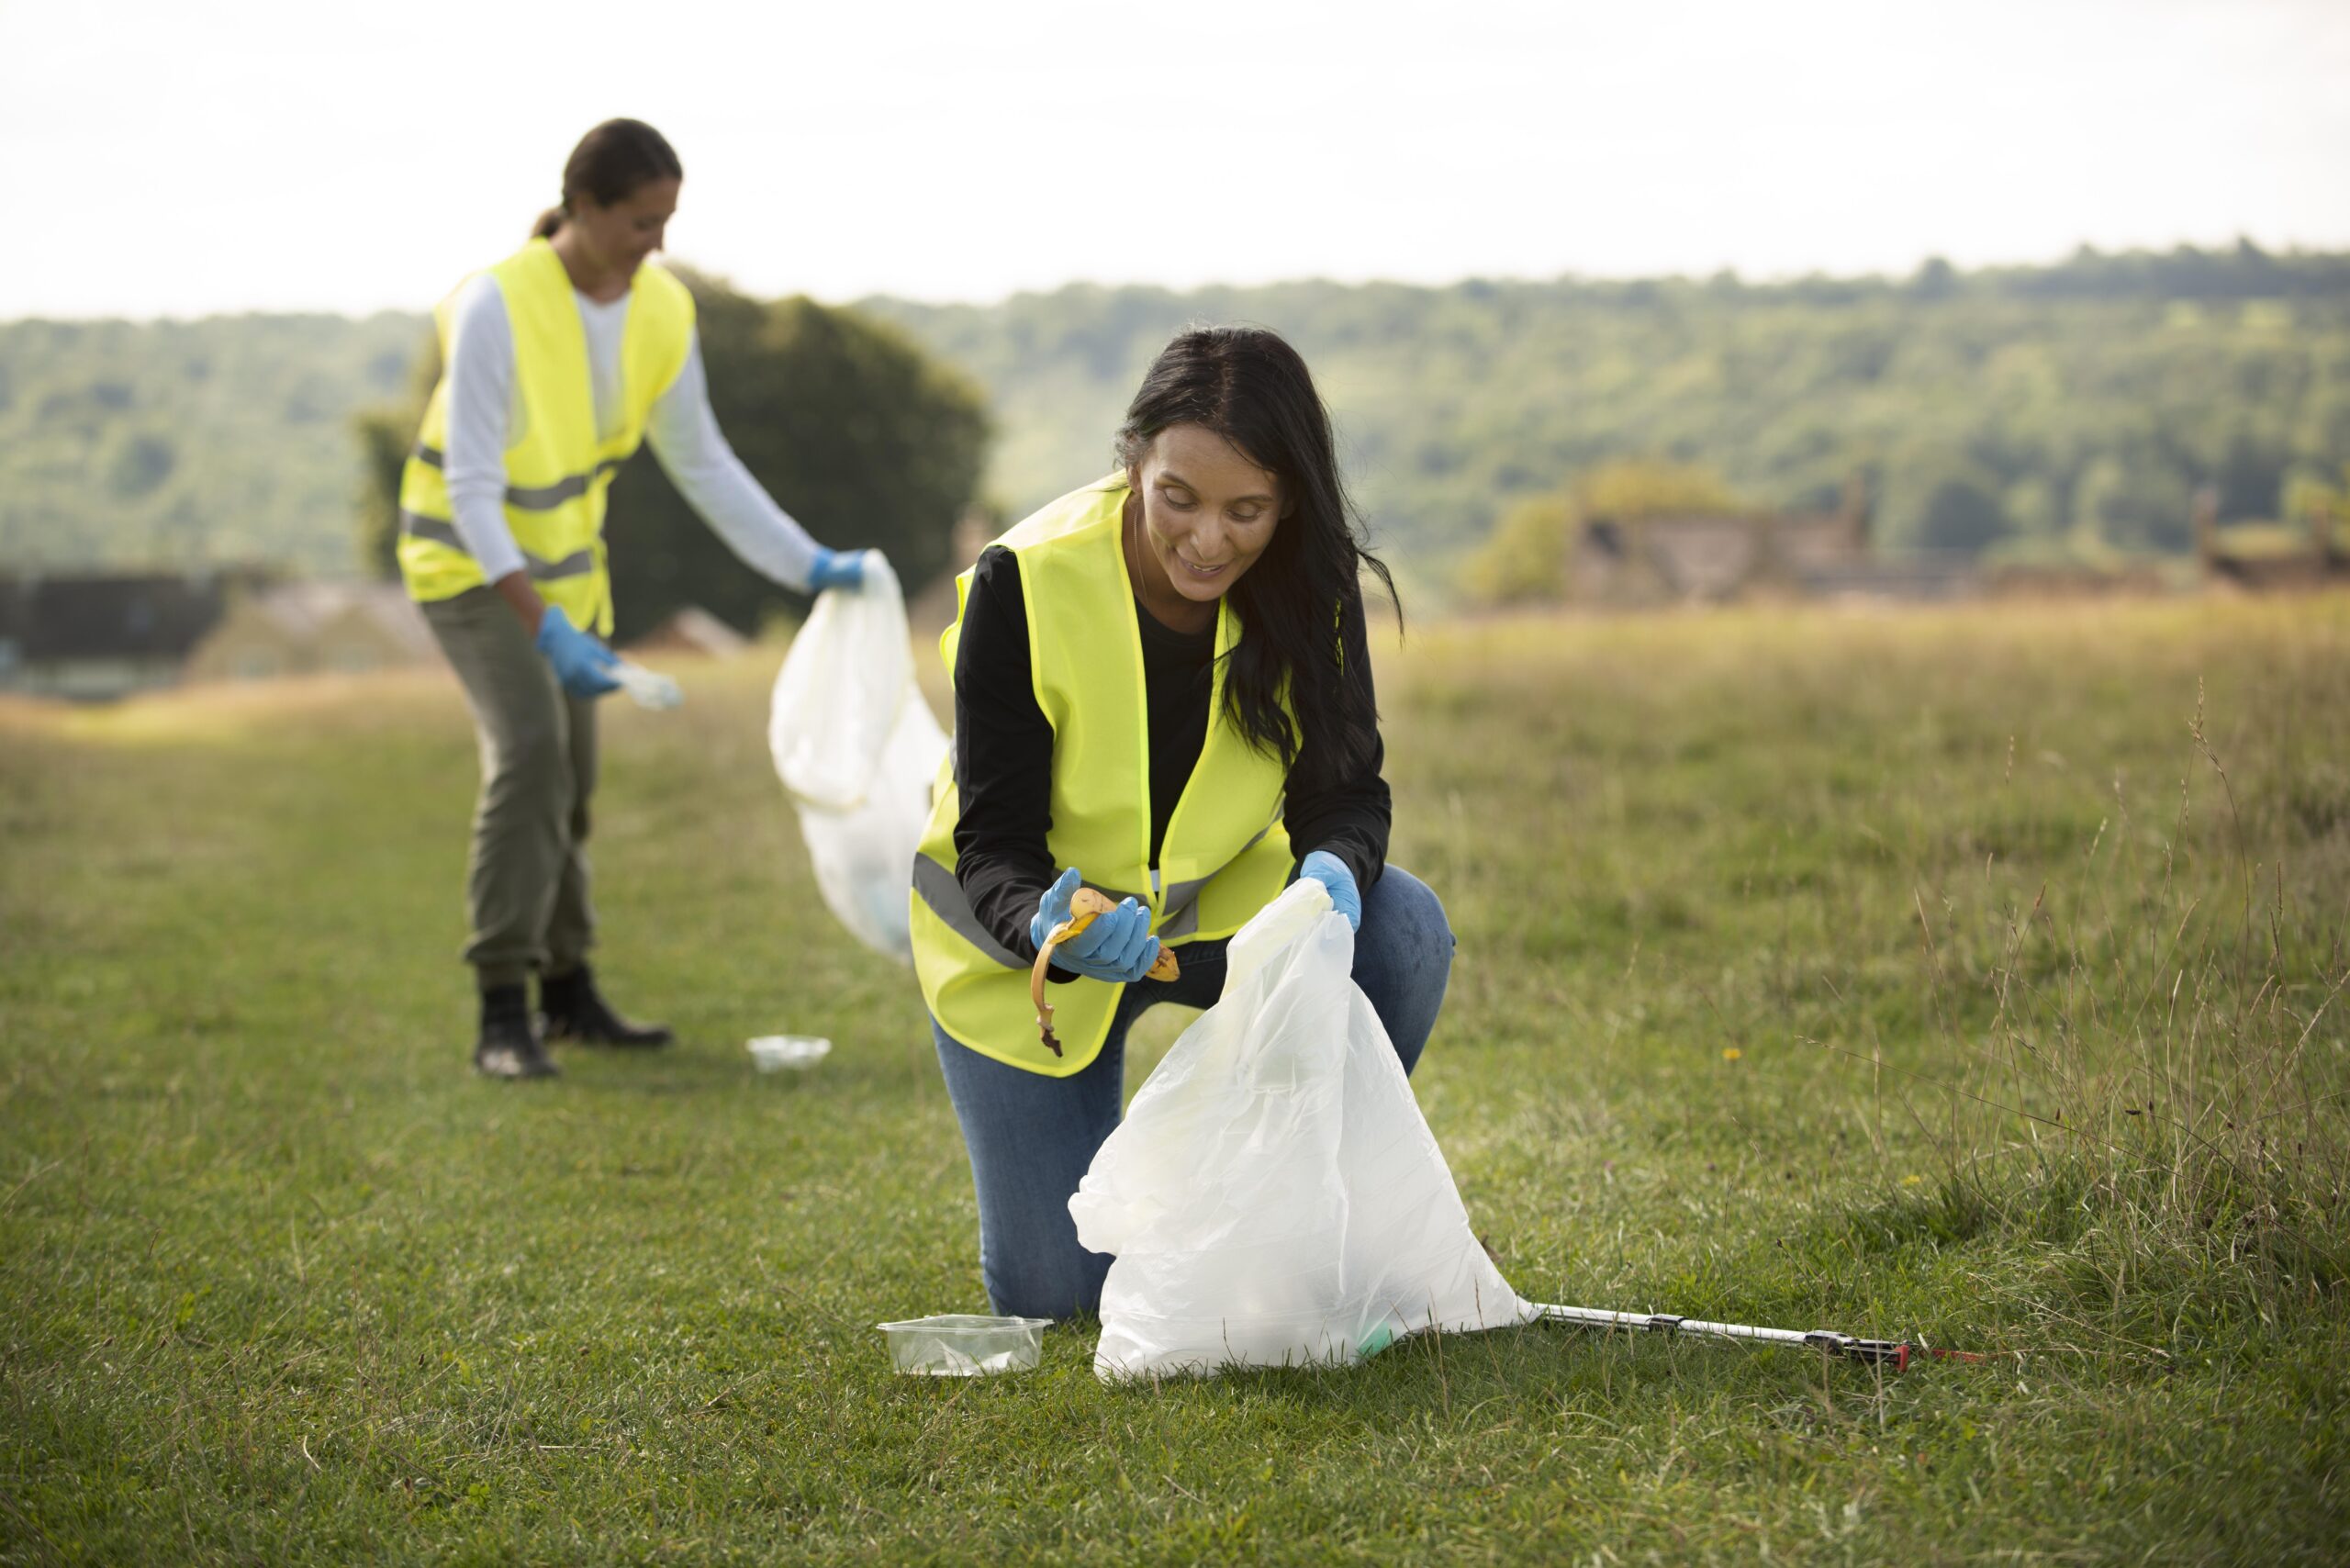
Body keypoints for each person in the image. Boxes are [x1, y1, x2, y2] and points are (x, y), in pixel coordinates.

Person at [909, 326, 1455, 1319]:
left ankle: (1291, 1221)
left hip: (1215, 931)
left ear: (1288, 499)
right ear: (1134, 462)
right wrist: (1049, 926)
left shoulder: (1312, 585)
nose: (1210, 540)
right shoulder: (1022, 580)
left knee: (1403, 925)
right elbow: (993, 845)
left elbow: (1344, 794)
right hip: (1027, 953)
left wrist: (1332, 868)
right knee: (1060, 1300)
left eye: (1247, 510)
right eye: (1179, 499)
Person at [397, 118, 874, 1081]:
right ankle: (503, 1008)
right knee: (530, 757)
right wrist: (543, 628)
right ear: (579, 207)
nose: (655, 243)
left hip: (569, 578)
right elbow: (473, 488)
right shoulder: (497, 304)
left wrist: (804, 562)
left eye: (667, 222)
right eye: (637, 222)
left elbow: (703, 462)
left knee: (570, 784)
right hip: (470, 570)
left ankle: (569, 994)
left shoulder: (660, 311)